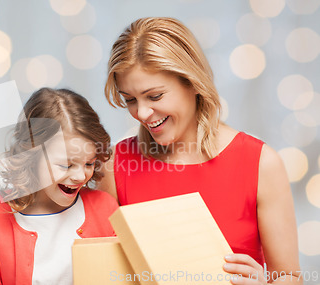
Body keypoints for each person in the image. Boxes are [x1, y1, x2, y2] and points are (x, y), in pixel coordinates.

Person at [101, 17, 302, 284]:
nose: (142, 113)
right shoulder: (114, 165)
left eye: (155, 96)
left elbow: (289, 277)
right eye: (130, 100)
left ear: (193, 82)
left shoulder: (260, 163)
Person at [0, 88, 119, 285]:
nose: (80, 176)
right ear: (32, 155)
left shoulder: (105, 209)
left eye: (89, 163)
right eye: (66, 165)